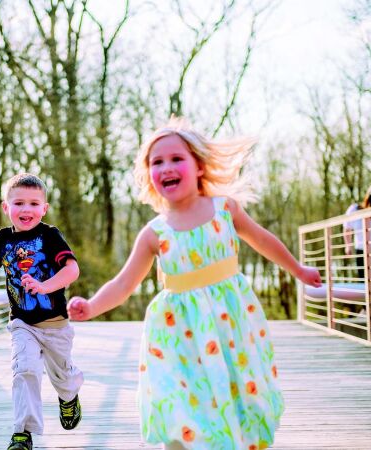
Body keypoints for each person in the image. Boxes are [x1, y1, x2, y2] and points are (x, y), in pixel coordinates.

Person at [67, 118, 322, 450]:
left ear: (199, 166)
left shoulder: (224, 209)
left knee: (237, 388)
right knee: (184, 399)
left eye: (176, 159)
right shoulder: (154, 233)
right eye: (156, 162)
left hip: (230, 324)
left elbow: (262, 240)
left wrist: (297, 269)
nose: (166, 167)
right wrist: (92, 306)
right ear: (149, 176)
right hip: (178, 332)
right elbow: (124, 283)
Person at [0, 173, 83, 450]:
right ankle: (22, 433)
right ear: (6, 207)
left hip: (55, 324)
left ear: (44, 208)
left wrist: (44, 286)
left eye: (34, 204)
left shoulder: (50, 236)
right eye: (19, 203)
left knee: (63, 377)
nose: (26, 209)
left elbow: (72, 269)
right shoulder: (2, 239)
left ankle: (68, 397)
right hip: (22, 323)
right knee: (24, 370)